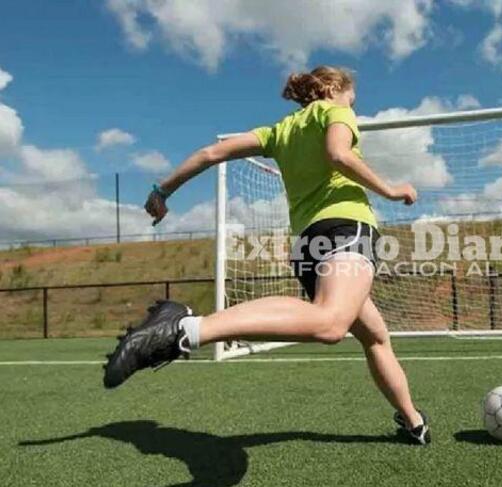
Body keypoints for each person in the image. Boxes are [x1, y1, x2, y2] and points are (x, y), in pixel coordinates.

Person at [103, 66, 430, 445]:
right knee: (330, 324)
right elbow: (338, 154)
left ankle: (413, 421)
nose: (352, 105)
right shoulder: (335, 111)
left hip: (308, 244)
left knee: (375, 336)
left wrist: (163, 191)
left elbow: (212, 152)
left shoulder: (280, 131)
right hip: (345, 229)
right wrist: (390, 190)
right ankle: (184, 328)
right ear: (334, 89)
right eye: (352, 98)